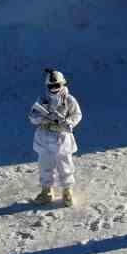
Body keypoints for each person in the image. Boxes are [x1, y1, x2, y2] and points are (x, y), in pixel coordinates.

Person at [29, 68, 82, 207]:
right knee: (45, 165)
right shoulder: (42, 99)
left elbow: (77, 114)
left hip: (61, 138)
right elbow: (32, 116)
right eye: (51, 86)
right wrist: (43, 118)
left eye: (56, 85)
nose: (54, 88)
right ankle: (46, 191)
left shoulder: (69, 100)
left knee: (65, 165)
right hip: (44, 137)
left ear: (62, 84)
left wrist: (68, 122)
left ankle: (67, 191)